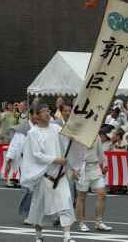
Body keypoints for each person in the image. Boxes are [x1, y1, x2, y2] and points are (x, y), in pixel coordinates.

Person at [20, 103, 79, 242]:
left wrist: (73, 137)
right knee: (40, 208)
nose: (47, 113)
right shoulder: (33, 133)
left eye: (48, 110)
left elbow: (67, 143)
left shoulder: (56, 128)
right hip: (44, 176)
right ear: (36, 115)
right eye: (43, 111)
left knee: (65, 203)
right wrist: (55, 159)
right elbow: (36, 155)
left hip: (61, 175)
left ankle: (67, 236)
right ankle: (39, 235)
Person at [74, 126, 112, 232]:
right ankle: (81, 223)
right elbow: (73, 154)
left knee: (102, 194)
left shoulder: (97, 136)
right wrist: (74, 169)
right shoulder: (77, 137)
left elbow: (100, 153)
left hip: (95, 167)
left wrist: (104, 165)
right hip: (82, 168)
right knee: (81, 197)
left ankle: (99, 222)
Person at [5, 106, 37, 223]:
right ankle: (29, 214)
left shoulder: (42, 128)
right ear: (32, 115)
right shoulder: (23, 129)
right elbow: (14, 146)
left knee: (40, 190)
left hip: (40, 163)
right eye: (36, 114)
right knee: (28, 189)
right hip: (26, 163)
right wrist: (9, 160)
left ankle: (38, 214)